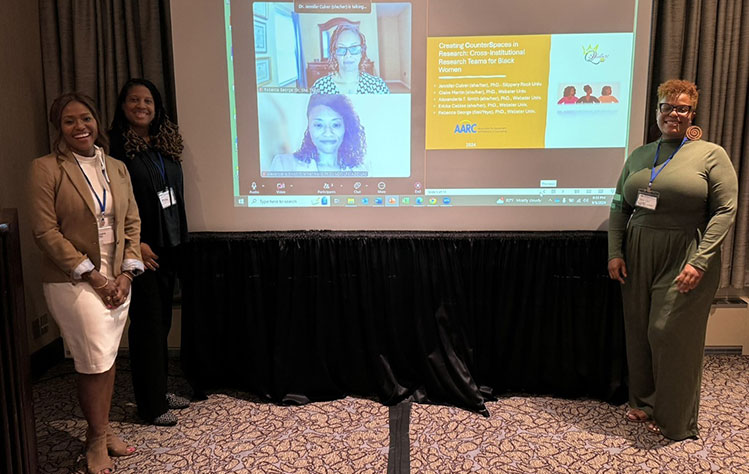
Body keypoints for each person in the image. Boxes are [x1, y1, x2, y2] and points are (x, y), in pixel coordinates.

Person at [607, 79, 738, 440]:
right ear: (657, 111)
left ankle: (676, 418)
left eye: (682, 108)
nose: (673, 114)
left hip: (685, 252)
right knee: (638, 330)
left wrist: (700, 261)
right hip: (637, 251)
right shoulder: (639, 154)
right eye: (667, 106)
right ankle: (644, 402)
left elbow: (725, 210)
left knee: (669, 333)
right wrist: (615, 251)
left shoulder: (711, 154)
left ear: (692, 113)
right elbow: (620, 204)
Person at [29, 92, 144, 474]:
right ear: (58, 128)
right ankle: (95, 440)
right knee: (93, 360)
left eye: (86, 119)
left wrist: (126, 274)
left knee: (107, 356)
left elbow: (131, 223)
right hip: (73, 281)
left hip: (117, 278)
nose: (80, 127)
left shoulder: (116, 167)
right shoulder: (45, 168)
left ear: (97, 121)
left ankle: (103, 429)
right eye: (69, 121)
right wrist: (93, 275)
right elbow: (45, 232)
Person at [109, 79, 190, 426]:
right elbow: (113, 206)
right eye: (134, 100)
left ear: (156, 107)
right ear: (123, 106)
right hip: (141, 250)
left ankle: (158, 391)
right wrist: (135, 244)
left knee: (163, 323)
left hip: (169, 245)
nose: (141, 106)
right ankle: (150, 405)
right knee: (147, 327)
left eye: (148, 101)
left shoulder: (164, 145)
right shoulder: (115, 150)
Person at [270, 93, 367, 173]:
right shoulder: (284, 165)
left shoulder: (361, 170)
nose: (328, 133)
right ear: (309, 127)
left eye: (336, 125)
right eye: (319, 125)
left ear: (346, 128)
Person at [310, 24, 389, 94]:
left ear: (362, 52)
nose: (348, 55)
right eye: (341, 48)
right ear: (334, 54)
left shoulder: (378, 86)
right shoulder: (320, 87)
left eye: (354, 48)